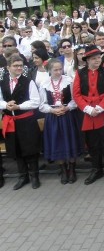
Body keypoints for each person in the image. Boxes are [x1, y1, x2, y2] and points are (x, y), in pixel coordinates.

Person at [73, 45, 104, 185]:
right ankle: (96, 169)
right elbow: (76, 94)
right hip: (87, 113)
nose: (97, 60)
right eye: (94, 58)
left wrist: (100, 107)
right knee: (92, 143)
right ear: (87, 60)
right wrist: (86, 108)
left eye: (99, 57)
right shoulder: (80, 73)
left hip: (103, 112)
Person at [0, 55, 42, 190]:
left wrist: (19, 106)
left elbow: (35, 101)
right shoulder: (2, 82)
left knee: (30, 149)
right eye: (15, 66)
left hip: (26, 121)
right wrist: (6, 105)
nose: (19, 68)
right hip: (10, 121)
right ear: (8, 67)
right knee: (17, 149)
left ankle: (35, 176)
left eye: (20, 66)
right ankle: (23, 176)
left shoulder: (28, 81)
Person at [39, 59, 83, 184]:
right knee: (57, 143)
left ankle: (72, 169)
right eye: (55, 70)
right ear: (49, 70)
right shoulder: (44, 84)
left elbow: (75, 99)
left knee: (70, 141)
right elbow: (42, 104)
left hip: (68, 115)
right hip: (53, 117)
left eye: (60, 69)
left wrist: (67, 107)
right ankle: (63, 170)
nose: (58, 72)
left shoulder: (69, 81)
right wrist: (52, 110)